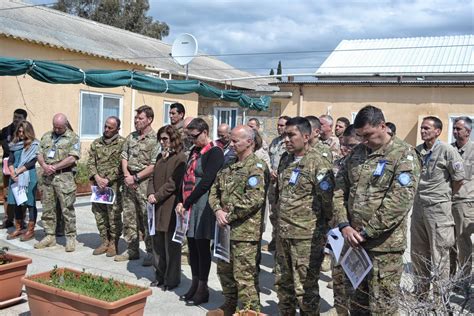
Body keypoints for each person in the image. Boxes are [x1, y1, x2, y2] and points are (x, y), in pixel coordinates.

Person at [334, 105, 421, 314]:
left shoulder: (404, 156)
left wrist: (367, 232)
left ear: (382, 126)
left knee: (383, 308)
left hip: (384, 248)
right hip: (354, 245)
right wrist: (344, 225)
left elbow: (398, 202)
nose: (364, 141)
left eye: (368, 135)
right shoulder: (356, 155)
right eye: (360, 136)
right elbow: (338, 191)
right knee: (356, 305)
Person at [207, 125, 269, 315]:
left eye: (235, 141)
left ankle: (249, 311)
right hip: (224, 230)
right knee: (224, 271)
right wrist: (217, 210)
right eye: (231, 140)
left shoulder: (257, 167)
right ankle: (230, 304)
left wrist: (229, 215)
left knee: (245, 277)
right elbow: (214, 191)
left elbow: (254, 200)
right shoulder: (228, 165)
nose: (231, 144)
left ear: (249, 142)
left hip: (245, 233)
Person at [275, 117, 334, 315]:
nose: (286, 140)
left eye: (292, 135)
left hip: (306, 238)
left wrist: (323, 233)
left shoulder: (318, 162)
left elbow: (328, 202)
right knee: (284, 285)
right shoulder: (285, 159)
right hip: (283, 234)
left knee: (305, 290)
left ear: (306, 136)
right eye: (285, 135)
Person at [176, 118, 224, 306]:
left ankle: (203, 287)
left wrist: (187, 202)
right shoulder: (194, 152)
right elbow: (185, 177)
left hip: (202, 204)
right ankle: (194, 282)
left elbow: (207, 182)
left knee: (202, 247)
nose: (192, 140)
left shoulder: (215, 152)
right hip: (189, 203)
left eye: (194, 136)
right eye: (189, 137)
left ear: (205, 131)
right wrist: (181, 201)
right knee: (192, 246)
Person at [116, 105, 160, 265]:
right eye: (136, 118)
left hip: (144, 183)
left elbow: (154, 164)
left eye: (140, 118)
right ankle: (132, 249)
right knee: (129, 217)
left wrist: (135, 178)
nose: (136, 121)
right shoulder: (131, 137)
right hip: (129, 182)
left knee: (146, 218)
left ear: (149, 120)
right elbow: (124, 155)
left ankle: (150, 252)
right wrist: (127, 176)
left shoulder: (156, 139)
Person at [147, 125, 187, 290]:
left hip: (169, 205)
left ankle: (172, 279)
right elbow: (152, 177)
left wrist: (157, 196)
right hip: (155, 205)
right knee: (157, 244)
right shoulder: (159, 157)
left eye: (165, 139)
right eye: (161, 139)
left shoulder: (180, 158)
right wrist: (150, 193)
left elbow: (173, 183)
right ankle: (159, 276)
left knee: (171, 246)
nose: (162, 142)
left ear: (173, 139)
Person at [35, 113, 81, 252]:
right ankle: (49, 236)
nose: (56, 130)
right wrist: (44, 165)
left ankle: (71, 237)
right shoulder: (46, 136)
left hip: (64, 177)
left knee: (67, 209)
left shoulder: (73, 138)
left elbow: (73, 158)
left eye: (59, 128)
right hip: (48, 178)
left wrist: (55, 167)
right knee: (48, 208)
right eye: (55, 127)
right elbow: (39, 153)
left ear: (65, 125)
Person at [330, 124, 361, 315]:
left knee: (358, 282)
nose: (346, 150)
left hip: (361, 233)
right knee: (338, 277)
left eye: (351, 146)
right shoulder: (340, 164)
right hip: (340, 230)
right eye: (344, 146)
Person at [86, 116, 125, 257]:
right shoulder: (96, 143)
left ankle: (114, 243)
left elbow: (122, 165)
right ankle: (104, 241)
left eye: (110, 128)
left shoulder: (122, 143)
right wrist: (97, 177)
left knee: (113, 215)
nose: (106, 129)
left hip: (113, 186)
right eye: (105, 126)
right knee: (99, 214)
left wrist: (108, 179)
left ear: (117, 129)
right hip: (99, 186)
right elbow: (90, 162)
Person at [450, 116, 474, 295]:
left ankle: (464, 278)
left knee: (462, 240)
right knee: (448, 241)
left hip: (465, 202)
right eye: (454, 128)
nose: (455, 131)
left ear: (468, 131)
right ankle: (450, 276)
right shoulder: (449, 149)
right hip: (447, 201)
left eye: (459, 129)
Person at [6, 121, 39, 241]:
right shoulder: (14, 144)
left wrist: (18, 171)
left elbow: (32, 162)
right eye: (19, 131)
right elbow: (10, 161)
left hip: (28, 176)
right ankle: (19, 228)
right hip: (15, 175)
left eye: (23, 131)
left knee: (30, 203)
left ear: (28, 131)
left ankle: (30, 230)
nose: (20, 134)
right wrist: (12, 172)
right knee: (17, 202)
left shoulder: (35, 145)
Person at [1, 108, 27, 229]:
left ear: (24, 119)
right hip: (8, 166)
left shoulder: (26, 131)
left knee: (21, 193)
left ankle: (21, 219)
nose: (16, 119)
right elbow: (6, 148)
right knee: (7, 193)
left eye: (19, 117)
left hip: (22, 167)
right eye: (15, 116)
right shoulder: (5, 131)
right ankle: (8, 219)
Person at [267, 115, 290, 251]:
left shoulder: (290, 143)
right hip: (273, 183)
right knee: (273, 212)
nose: (279, 127)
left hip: (283, 183)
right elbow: (270, 159)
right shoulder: (275, 142)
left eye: (282, 125)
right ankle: (275, 238)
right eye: (278, 125)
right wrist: (271, 171)